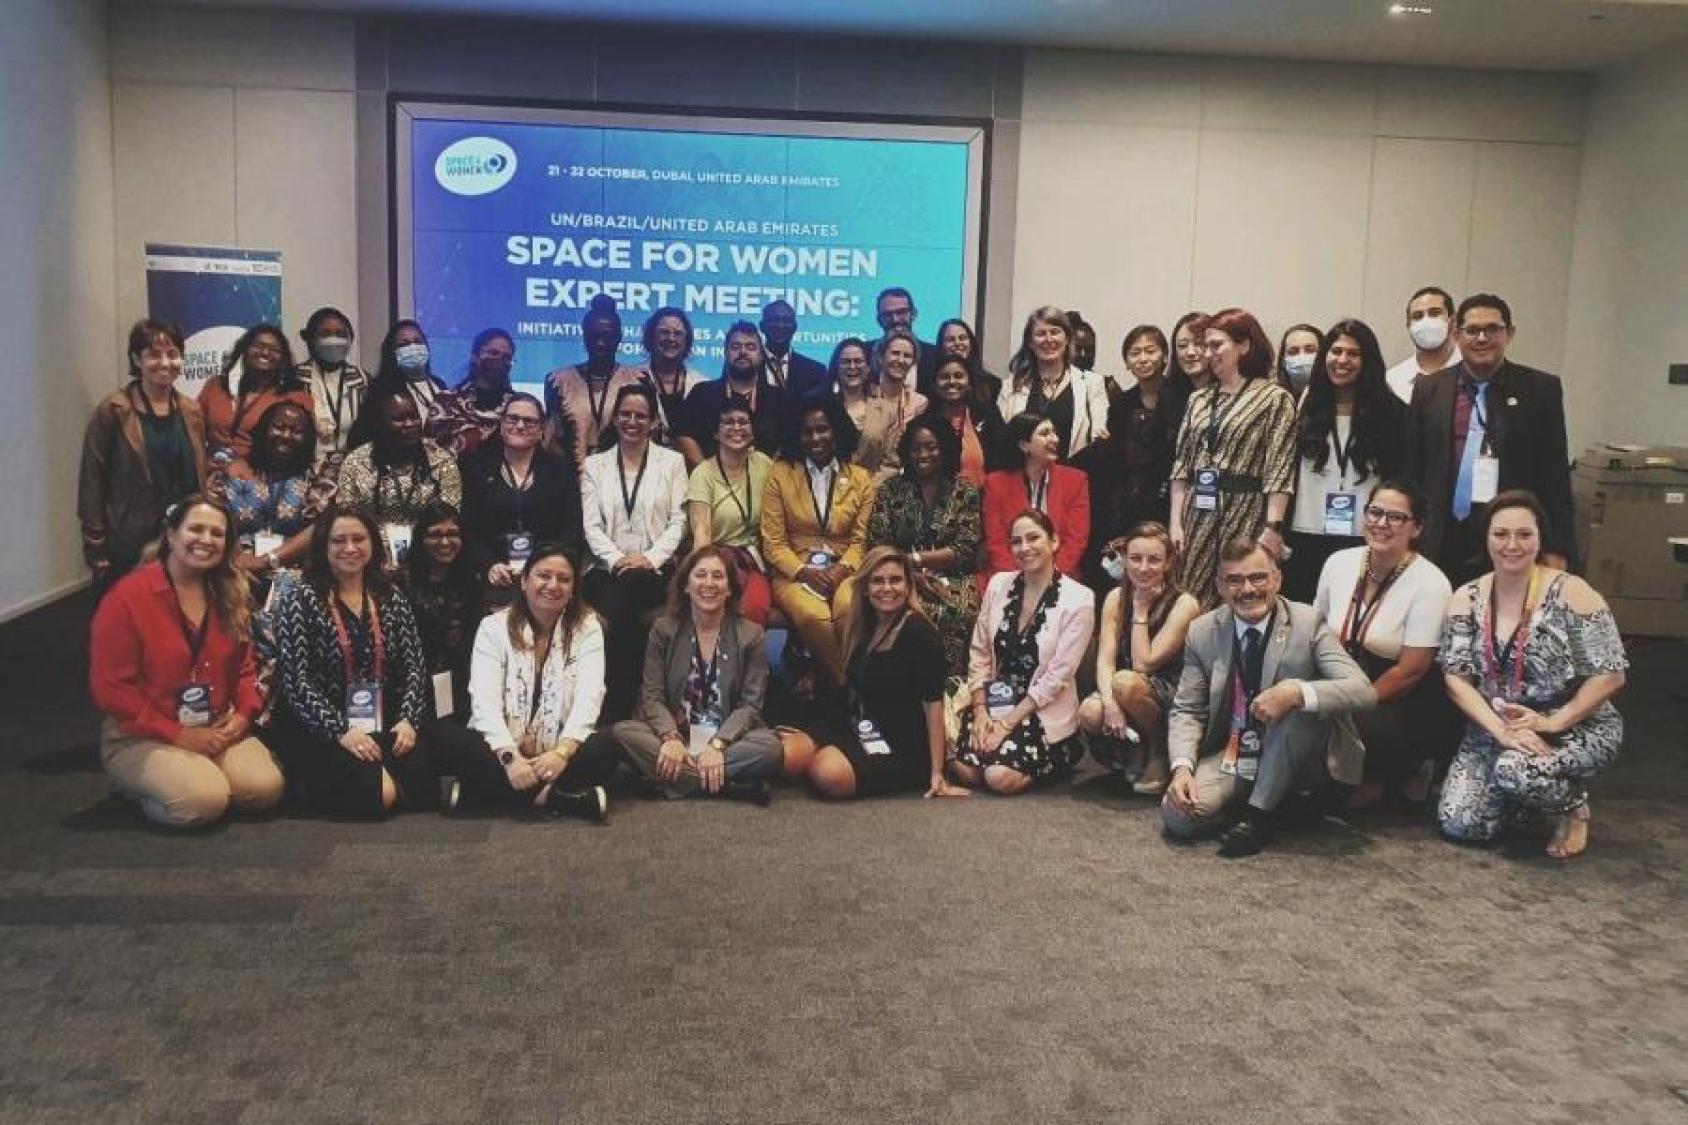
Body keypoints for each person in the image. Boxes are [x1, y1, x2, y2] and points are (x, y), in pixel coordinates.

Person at [1436, 491, 1627, 859]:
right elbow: (1456, 680)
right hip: (1499, 726)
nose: (1512, 545)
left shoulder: (1572, 592)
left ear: (1540, 538)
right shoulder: (1466, 597)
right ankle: (1525, 803)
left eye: (1524, 534)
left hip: (1573, 724)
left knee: (1517, 772)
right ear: (1486, 538)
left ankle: (1571, 808)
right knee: (1461, 823)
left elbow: (1612, 676)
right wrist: (1500, 730)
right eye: (1501, 534)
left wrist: (1552, 723)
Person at [1160, 537, 1375, 856]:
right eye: (1234, 580)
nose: (1247, 589)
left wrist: (1297, 691)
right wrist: (1181, 768)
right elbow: (1187, 709)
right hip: (1237, 751)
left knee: (1300, 703)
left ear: (1277, 579)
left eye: (1257, 577)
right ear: (1220, 586)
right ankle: (1278, 809)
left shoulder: (1307, 622)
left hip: (1303, 759)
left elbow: (1362, 690)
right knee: (1178, 817)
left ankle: (1258, 816)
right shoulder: (1202, 631)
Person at [267, 504, 479, 817]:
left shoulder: (391, 596)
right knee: (380, 796)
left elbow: (413, 668)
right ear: (323, 546)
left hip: (382, 717)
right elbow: (296, 682)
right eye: (339, 541)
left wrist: (407, 720)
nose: (350, 548)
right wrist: (340, 730)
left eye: (359, 539)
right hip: (320, 725)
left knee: (424, 790)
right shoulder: (300, 599)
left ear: (373, 545)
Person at [89, 495, 282, 828]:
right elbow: (111, 689)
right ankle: (134, 785)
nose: (206, 540)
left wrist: (243, 715)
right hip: (143, 733)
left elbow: (247, 669)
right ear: (171, 534)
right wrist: (176, 734)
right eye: (196, 529)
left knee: (264, 789)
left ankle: (196, 776)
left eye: (217, 534)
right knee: (202, 802)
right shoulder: (127, 598)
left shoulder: (230, 592)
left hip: (216, 726)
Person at [1405, 293, 1574, 586]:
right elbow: (1411, 468)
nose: (1481, 338)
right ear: (1456, 334)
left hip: (1510, 537)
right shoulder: (1428, 389)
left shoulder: (1540, 390)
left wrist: (1557, 547)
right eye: (1472, 330)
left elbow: (1555, 475)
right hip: (1442, 536)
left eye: (1492, 329)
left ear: (1509, 333)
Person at [1313, 480, 1455, 809]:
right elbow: (1314, 630)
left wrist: (1347, 704)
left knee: (1332, 771)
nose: (1381, 523)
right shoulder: (1338, 562)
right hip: (1340, 676)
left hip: (1394, 698)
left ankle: (1391, 777)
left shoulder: (1432, 583)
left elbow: (1410, 671)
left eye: (1395, 517)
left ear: (1416, 528)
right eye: (1375, 512)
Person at [790, 547, 970, 799]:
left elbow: (933, 706)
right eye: (878, 581)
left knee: (827, 773)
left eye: (896, 580)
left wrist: (937, 772)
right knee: (787, 754)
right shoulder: (863, 624)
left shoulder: (920, 632)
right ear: (865, 587)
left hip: (899, 743)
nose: (887, 588)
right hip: (859, 724)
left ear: (908, 586)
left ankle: (833, 761)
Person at [457, 543, 620, 821]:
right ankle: (558, 799)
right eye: (543, 576)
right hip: (503, 750)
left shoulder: (588, 628)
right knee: (449, 739)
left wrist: (561, 754)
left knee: (606, 746)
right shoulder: (492, 627)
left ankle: (481, 797)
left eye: (564, 579)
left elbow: (590, 696)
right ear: (524, 581)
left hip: (558, 751)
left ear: (573, 589)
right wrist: (510, 759)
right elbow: (483, 702)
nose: (553, 585)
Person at [612, 545, 785, 804]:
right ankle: (727, 787)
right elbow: (652, 696)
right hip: (676, 736)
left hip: (727, 738)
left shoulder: (751, 635)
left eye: (718, 576)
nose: (709, 583)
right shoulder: (664, 630)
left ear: (729, 588)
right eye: (700, 575)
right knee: (622, 733)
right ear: (685, 585)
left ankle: (674, 780)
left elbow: (750, 705)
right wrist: (670, 738)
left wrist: (718, 745)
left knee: (771, 748)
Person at [954, 509, 1096, 793]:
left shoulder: (1080, 598)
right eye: (1016, 541)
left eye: (1033, 538)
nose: (1025, 547)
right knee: (967, 772)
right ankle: (998, 750)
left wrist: (1007, 724)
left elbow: (1058, 676)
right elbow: (980, 652)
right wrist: (981, 711)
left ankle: (1060, 754)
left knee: (997, 778)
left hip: (1040, 709)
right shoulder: (998, 585)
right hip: (995, 702)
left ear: (1054, 542)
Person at [1168, 307, 1298, 607]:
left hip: (1246, 511)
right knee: (1190, 596)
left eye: (1216, 345)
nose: (1208, 353)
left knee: (1241, 591)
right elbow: (1181, 467)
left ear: (1244, 346)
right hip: (1197, 510)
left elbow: (1279, 469)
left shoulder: (1274, 398)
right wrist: (1176, 522)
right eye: (1206, 346)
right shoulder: (1198, 399)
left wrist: (1273, 528)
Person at [579, 383, 689, 721]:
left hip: (656, 570)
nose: (632, 421)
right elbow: (591, 525)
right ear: (614, 418)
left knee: (622, 607)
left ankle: (613, 704)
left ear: (654, 421)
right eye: (625, 414)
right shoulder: (595, 465)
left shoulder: (672, 462)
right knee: (623, 599)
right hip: (605, 570)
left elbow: (679, 519)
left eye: (641, 415)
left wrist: (650, 558)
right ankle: (640, 700)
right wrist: (617, 560)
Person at [79, 319, 208, 598]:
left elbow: (199, 473)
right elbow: (92, 481)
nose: (165, 362)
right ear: (137, 359)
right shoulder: (113, 411)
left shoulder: (191, 410)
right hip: (130, 542)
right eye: (154, 354)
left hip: (184, 537)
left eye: (173, 354)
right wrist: (95, 547)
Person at [1283, 319, 1408, 601]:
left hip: (1366, 538)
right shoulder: (1302, 408)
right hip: (1306, 535)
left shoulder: (1393, 414)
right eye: (1335, 351)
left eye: (1353, 354)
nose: (1342, 360)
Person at [1077, 523, 1201, 796]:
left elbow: (1144, 664)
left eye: (1154, 559)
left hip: (1169, 691)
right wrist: (1109, 703)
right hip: (1126, 687)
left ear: (1168, 562)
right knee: (1090, 710)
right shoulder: (1114, 597)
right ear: (1125, 559)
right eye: (1135, 559)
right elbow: (1105, 661)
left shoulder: (1184, 603)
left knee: (1125, 682)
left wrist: (1141, 610)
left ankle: (1158, 752)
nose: (1144, 568)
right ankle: (1134, 750)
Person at [762, 399, 876, 690]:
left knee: (850, 606)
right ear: (796, 436)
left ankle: (819, 674)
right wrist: (803, 571)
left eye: (822, 429)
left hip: (845, 569)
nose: (815, 438)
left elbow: (861, 539)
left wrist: (841, 569)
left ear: (836, 431)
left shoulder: (861, 478)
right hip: (794, 570)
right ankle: (850, 689)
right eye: (807, 432)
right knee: (815, 615)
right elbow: (773, 541)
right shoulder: (780, 474)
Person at [867, 416, 982, 680]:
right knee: (905, 613)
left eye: (931, 447)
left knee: (961, 611)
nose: (923, 454)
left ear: (944, 450)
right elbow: (878, 543)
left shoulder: (964, 491)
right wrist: (908, 572)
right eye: (916, 448)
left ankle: (951, 691)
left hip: (953, 574)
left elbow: (965, 548)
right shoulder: (890, 490)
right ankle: (905, 686)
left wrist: (913, 559)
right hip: (898, 575)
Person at [1075, 324, 1183, 590]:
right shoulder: (1122, 402)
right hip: (1129, 499)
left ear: (1165, 357)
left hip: (1171, 497)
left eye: (1150, 351)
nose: (1143, 358)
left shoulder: (1183, 397)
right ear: (1126, 362)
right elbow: (1114, 455)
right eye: (1135, 353)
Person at [460, 394, 583, 595]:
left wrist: (549, 567)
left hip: (547, 575)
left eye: (529, 421)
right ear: (501, 425)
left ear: (542, 428)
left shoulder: (561, 470)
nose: (520, 425)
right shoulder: (477, 468)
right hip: (495, 574)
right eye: (513, 418)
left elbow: (571, 526)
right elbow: (468, 526)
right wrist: (489, 564)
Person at [336, 386, 463, 565]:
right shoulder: (356, 463)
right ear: (380, 425)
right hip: (369, 556)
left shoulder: (442, 462)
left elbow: (448, 521)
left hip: (428, 556)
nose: (410, 424)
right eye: (399, 419)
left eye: (414, 417)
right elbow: (347, 518)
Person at [685, 399, 774, 626]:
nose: (736, 428)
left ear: (753, 432)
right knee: (714, 598)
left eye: (743, 422)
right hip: (716, 556)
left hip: (753, 560)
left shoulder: (764, 465)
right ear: (716, 432)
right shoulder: (703, 474)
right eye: (728, 422)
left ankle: (745, 659)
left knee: (753, 607)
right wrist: (710, 573)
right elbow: (701, 534)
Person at [981, 413, 1088, 582]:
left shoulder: (1075, 481)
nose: (1055, 439)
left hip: (1060, 576)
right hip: (1009, 575)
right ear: (1024, 445)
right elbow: (996, 543)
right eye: (1045, 434)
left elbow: (1076, 540)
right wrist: (1021, 580)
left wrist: (1051, 577)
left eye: (1054, 433)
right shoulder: (995, 484)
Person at [401, 503, 483, 722]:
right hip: (411, 686)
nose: (445, 542)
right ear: (421, 539)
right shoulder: (401, 584)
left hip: (460, 682)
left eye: (453, 534)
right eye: (435, 535)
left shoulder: (472, 581)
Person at [223, 400, 318, 581]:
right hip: (236, 569)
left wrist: (267, 561)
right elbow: (215, 519)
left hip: (295, 573)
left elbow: (321, 529)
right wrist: (237, 560)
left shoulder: (316, 477)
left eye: (297, 431)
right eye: (278, 427)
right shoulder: (233, 470)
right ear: (263, 429)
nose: (286, 435)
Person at [544, 295, 643, 467]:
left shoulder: (639, 380)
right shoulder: (558, 381)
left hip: (624, 478)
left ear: (619, 337)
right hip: (570, 481)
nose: (600, 343)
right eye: (593, 336)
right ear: (584, 336)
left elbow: (647, 435)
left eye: (608, 336)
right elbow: (552, 439)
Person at [998, 306, 1110, 457]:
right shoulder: (1010, 386)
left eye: (1055, 332)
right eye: (1040, 334)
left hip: (1073, 475)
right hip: (1023, 476)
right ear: (1030, 342)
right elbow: (1004, 439)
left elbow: (1099, 437)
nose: (1048, 339)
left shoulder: (1092, 384)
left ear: (1068, 339)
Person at [678, 320, 791, 466]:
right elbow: (684, 437)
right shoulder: (702, 393)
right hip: (710, 484)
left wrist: (766, 476)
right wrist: (709, 476)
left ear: (762, 355)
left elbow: (787, 443)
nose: (743, 352)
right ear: (725, 353)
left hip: (766, 484)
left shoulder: (780, 399)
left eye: (750, 347)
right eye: (735, 347)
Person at [198, 323, 311, 462]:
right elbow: (194, 428)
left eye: (274, 349)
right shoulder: (215, 385)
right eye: (257, 346)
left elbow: (299, 448)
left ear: (283, 358)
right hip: (212, 470)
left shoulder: (295, 396)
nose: (265, 352)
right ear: (244, 351)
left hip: (261, 475)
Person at [347, 320, 447, 449]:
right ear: (392, 352)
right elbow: (361, 436)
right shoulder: (382, 390)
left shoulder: (439, 384)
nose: (413, 347)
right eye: (404, 344)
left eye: (418, 341)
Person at [920, 351, 1005, 488]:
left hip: (985, 501)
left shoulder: (988, 415)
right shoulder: (925, 422)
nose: (952, 381)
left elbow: (1002, 462)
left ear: (969, 382)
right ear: (935, 384)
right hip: (940, 504)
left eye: (958, 376)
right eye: (944, 377)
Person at [296, 306, 369, 465]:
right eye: (325, 334)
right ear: (310, 339)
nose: (333, 340)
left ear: (350, 339)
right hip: (304, 469)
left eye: (341, 334)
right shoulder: (294, 378)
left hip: (352, 469)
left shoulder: (363, 380)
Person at [831, 336, 904, 479]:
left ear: (868, 367)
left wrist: (865, 491)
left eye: (858, 361)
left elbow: (891, 464)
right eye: (846, 362)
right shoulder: (824, 407)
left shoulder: (888, 411)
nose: (852, 367)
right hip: (828, 492)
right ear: (836, 367)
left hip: (872, 492)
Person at [438, 327, 517, 456]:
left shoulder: (516, 407)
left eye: (507, 357)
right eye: (493, 353)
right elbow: (432, 452)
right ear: (475, 356)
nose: (499, 360)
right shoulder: (447, 402)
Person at [638, 307, 708, 450]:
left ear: (687, 340)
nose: (671, 338)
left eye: (678, 333)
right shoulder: (633, 378)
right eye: (664, 332)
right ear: (651, 336)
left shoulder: (702, 384)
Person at [1385, 285, 1461, 404]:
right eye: (1418, 316)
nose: (1426, 321)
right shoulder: (1393, 380)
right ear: (1409, 326)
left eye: (1435, 313)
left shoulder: (1472, 371)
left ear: (1453, 320)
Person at [870, 287, 939, 396]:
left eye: (901, 312)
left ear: (914, 314)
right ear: (879, 320)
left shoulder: (935, 356)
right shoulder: (863, 354)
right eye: (888, 315)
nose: (895, 319)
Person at [759, 299, 829, 403]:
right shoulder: (748, 368)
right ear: (762, 326)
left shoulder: (816, 371)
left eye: (786, 321)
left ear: (795, 327)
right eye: (774, 320)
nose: (780, 325)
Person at [873, 330, 929, 445]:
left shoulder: (919, 403)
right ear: (880, 357)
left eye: (907, 356)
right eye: (895, 353)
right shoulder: (865, 396)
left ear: (913, 363)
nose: (901, 360)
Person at [936, 317, 1002, 403]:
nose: (957, 343)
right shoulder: (930, 381)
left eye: (962, 338)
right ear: (941, 345)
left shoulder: (992, 383)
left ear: (971, 342)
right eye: (951, 339)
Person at [1167, 310, 1210, 397]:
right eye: (1183, 346)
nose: (1190, 353)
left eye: (1199, 343)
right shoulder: (1167, 395)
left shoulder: (1230, 392)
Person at [1273, 323, 1322, 396]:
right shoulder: (1274, 397)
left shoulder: (1340, 397)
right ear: (1283, 361)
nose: (1302, 356)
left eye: (1310, 350)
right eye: (1293, 352)